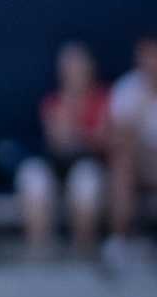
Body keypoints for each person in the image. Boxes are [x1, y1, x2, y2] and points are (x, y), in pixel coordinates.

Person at [17, 42, 109, 255]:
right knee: (33, 177)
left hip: (89, 164)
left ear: (89, 69)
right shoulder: (53, 101)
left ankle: (82, 254)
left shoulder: (102, 99)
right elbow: (58, 141)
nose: (73, 73)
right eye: (69, 68)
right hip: (55, 165)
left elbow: (101, 140)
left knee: (85, 183)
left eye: (78, 67)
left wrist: (79, 134)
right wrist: (82, 131)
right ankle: (40, 253)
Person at [105, 32, 157, 259]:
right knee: (122, 160)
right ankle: (119, 241)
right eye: (147, 55)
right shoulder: (127, 89)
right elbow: (118, 139)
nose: (152, 62)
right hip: (141, 162)